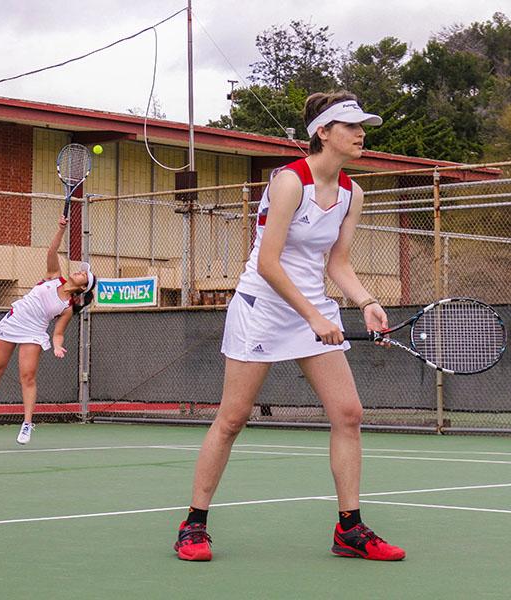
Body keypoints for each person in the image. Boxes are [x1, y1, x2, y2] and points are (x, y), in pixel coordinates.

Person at [174, 91, 405, 562]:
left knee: (348, 414)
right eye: (350, 125)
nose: (361, 133)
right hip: (262, 306)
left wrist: (366, 301)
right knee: (233, 418)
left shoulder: (351, 193)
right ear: (322, 132)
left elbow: (337, 262)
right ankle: (193, 523)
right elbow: (268, 261)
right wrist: (314, 317)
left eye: (363, 126)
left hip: (312, 310)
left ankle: (350, 530)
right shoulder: (288, 183)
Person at [0, 216, 96, 444]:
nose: (79, 272)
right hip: (14, 321)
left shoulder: (67, 307)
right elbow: (52, 250)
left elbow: (58, 332)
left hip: (34, 332)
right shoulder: (53, 277)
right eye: (80, 271)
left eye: (83, 275)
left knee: (27, 377)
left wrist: (57, 346)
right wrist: (60, 229)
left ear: (83, 287)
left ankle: (27, 423)